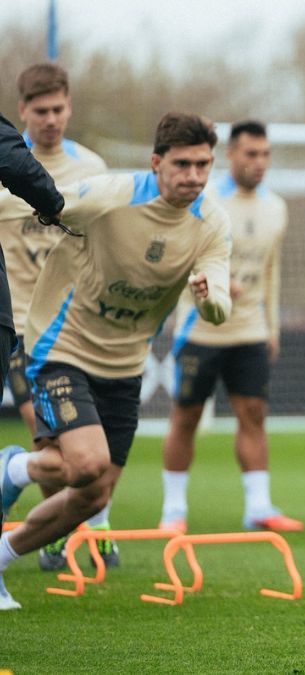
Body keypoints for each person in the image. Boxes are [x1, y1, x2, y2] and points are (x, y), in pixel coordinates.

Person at [0, 112, 232, 610]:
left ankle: (7, 517)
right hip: (59, 349)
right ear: (157, 162)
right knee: (86, 464)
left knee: (94, 494)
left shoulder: (211, 224)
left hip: (126, 366)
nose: (194, 176)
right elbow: (34, 205)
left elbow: (220, 304)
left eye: (204, 165)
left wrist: (211, 298)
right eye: (183, 164)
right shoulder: (110, 195)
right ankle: (15, 469)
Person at [158, 120, 300, 534]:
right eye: (251, 154)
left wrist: (271, 327)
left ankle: (258, 507)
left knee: (253, 414)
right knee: (185, 417)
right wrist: (214, 282)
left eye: (266, 155)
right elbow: (178, 257)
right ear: (232, 156)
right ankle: (173, 510)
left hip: (250, 330)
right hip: (199, 329)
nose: (260, 163)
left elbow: (270, 272)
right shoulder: (203, 201)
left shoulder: (277, 207)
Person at [0, 63, 114, 571]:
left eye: (58, 109)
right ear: (22, 110)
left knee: (89, 442)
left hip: (82, 329)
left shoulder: (93, 168)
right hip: (25, 328)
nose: (50, 119)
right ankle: (56, 533)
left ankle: (88, 523)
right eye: (40, 110)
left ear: (69, 107)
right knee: (46, 433)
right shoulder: (8, 168)